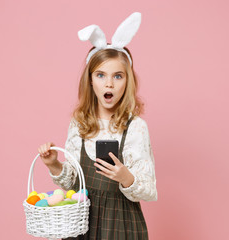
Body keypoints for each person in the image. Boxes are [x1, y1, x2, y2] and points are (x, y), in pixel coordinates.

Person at [37, 12, 157, 240]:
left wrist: (125, 177)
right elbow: (74, 180)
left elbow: (149, 189)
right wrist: (54, 165)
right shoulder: (79, 123)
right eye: (101, 75)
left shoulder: (135, 127)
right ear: (90, 80)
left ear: (127, 81)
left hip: (121, 224)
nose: (109, 83)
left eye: (118, 76)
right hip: (81, 223)